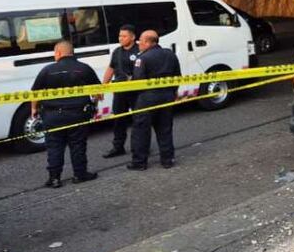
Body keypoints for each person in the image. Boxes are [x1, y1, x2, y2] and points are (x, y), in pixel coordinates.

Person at [30, 41, 101, 188]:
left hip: (52, 115)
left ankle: (54, 178)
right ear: (72, 52)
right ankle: (79, 175)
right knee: (78, 145)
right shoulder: (84, 69)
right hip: (78, 114)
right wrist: (94, 105)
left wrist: (34, 109)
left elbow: (35, 93)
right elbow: (97, 92)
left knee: (54, 146)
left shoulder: (47, 70)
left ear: (58, 53)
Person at [128, 30, 181, 171]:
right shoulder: (170, 54)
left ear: (147, 42)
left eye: (140, 40)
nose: (138, 43)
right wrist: (173, 92)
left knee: (141, 131)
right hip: (167, 96)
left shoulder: (142, 58)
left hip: (147, 98)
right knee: (165, 129)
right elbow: (178, 76)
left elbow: (138, 81)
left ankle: (139, 162)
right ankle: (167, 159)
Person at [102, 24, 139, 158]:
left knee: (138, 120)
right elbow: (111, 69)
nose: (120, 38)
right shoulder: (117, 52)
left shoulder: (140, 50)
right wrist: (102, 87)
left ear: (133, 37)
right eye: (119, 36)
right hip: (120, 91)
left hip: (136, 92)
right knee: (119, 120)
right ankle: (118, 147)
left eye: (124, 36)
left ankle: (138, 147)